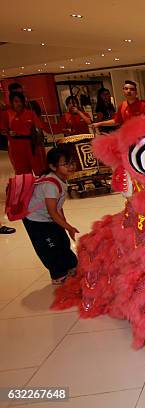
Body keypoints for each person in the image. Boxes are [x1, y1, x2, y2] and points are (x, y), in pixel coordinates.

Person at [23, 146, 79, 285]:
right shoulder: (50, 184)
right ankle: (58, 275)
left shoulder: (60, 179)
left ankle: (71, 265)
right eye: (65, 164)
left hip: (49, 218)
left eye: (72, 162)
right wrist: (69, 227)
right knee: (50, 247)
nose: (71, 166)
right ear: (53, 167)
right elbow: (52, 212)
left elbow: (58, 208)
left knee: (62, 241)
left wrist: (65, 225)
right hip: (36, 221)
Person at [0, 92, 46, 175]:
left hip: (32, 145)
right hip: (16, 147)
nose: (19, 104)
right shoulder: (7, 114)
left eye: (21, 101)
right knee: (23, 174)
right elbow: (3, 130)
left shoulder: (30, 113)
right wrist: (9, 132)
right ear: (11, 102)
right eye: (16, 101)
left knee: (40, 171)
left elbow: (39, 128)